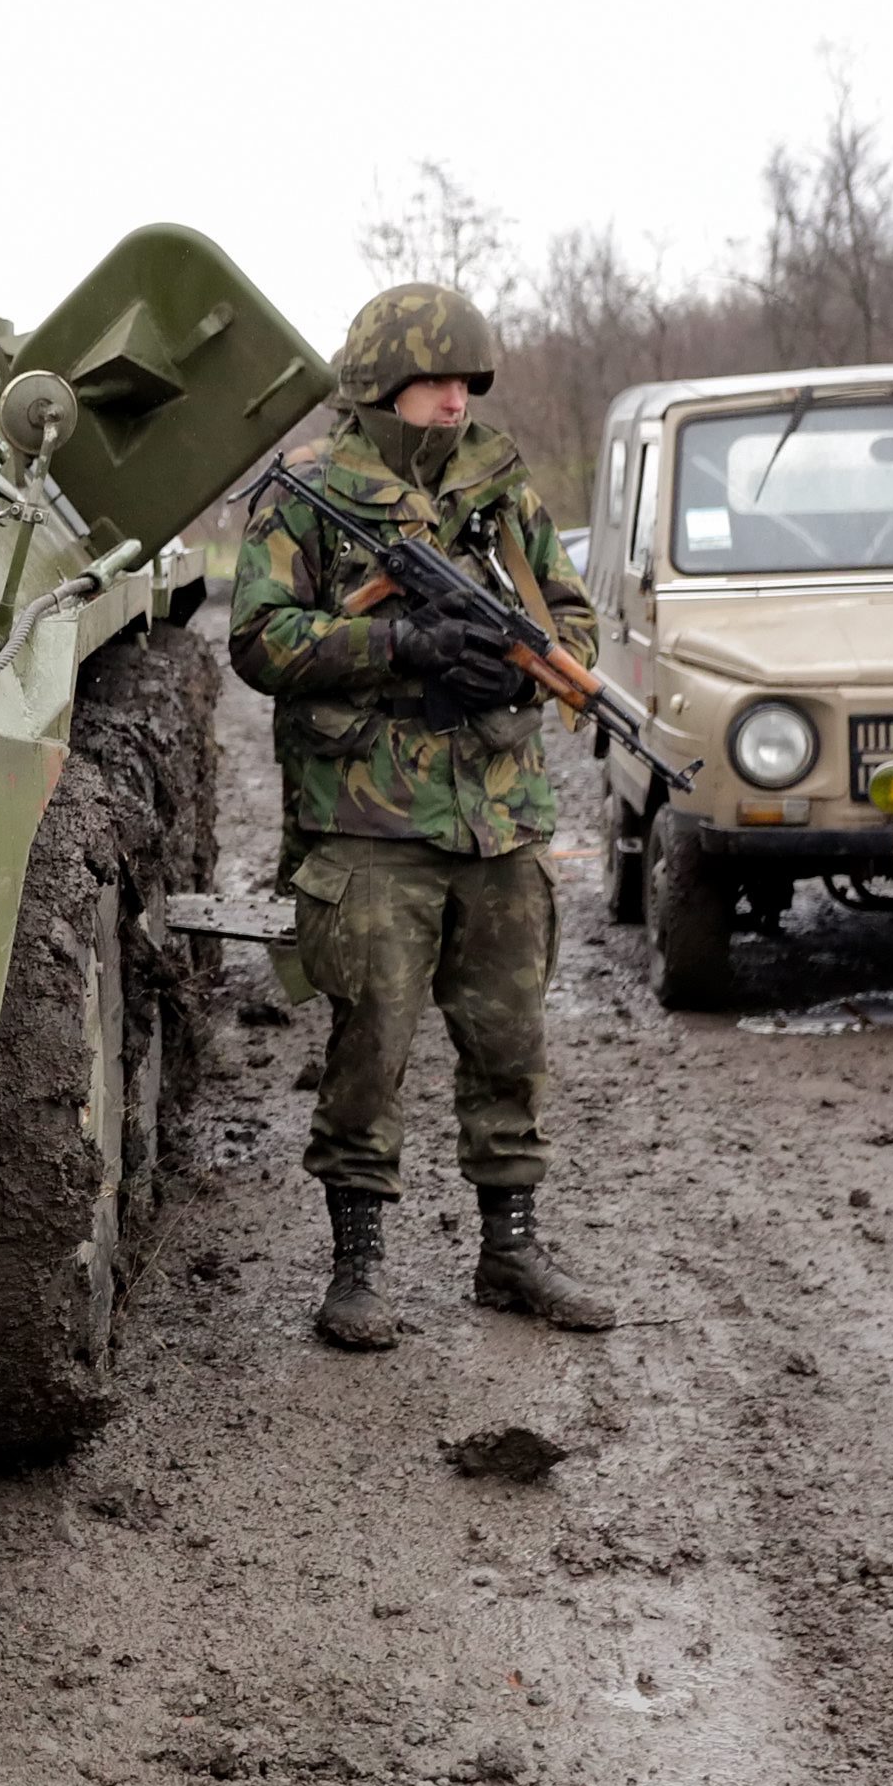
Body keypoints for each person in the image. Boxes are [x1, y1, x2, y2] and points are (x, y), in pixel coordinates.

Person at [227, 283, 617, 1349]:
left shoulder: (499, 483)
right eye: (438, 380)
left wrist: (520, 674)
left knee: (511, 1041)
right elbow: (260, 641)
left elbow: (569, 618)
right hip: (366, 822)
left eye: (467, 383)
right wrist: (399, 647)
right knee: (371, 1047)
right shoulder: (310, 492)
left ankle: (512, 1251)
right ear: (382, 382)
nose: (456, 401)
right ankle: (357, 1271)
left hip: (498, 818)